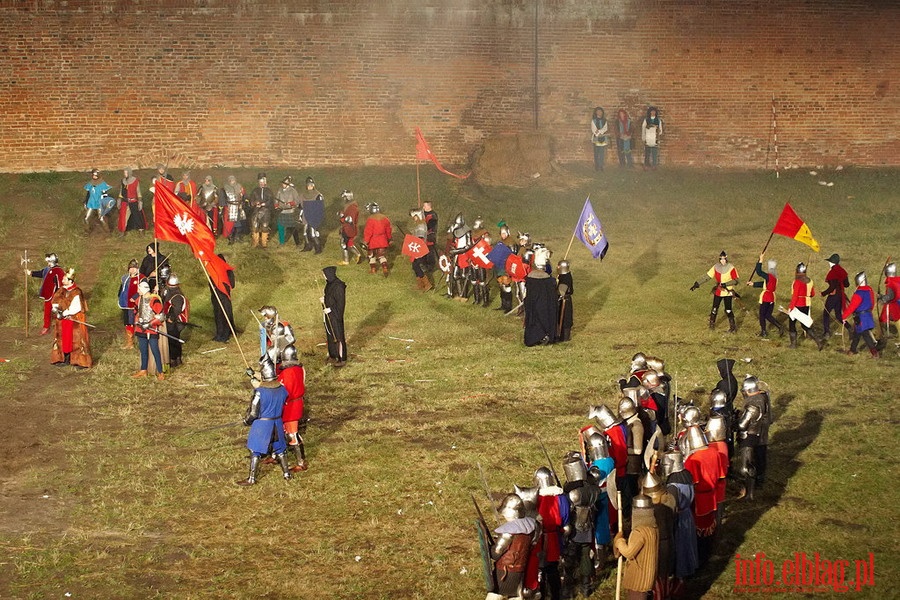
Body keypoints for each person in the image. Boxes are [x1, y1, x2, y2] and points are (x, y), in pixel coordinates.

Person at [237, 358, 292, 486]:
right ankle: (286, 474)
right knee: (280, 449)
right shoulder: (282, 389)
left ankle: (251, 478)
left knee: (255, 450)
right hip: (277, 422)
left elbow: (253, 413)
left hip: (262, 424)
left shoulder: (260, 392)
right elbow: (284, 400)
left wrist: (246, 421)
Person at [562, 452, 601, 598]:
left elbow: (567, 510)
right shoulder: (592, 487)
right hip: (589, 526)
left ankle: (568, 588)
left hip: (574, 528)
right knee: (585, 557)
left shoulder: (574, 492)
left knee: (570, 559)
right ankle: (586, 586)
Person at [485, 494, 538, 600]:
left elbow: (495, 554)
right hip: (521, 570)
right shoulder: (532, 526)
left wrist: (489, 547)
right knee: (515, 596)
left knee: (494, 595)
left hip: (504, 571)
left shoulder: (508, 532)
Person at [613, 494, 659, 600]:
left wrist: (619, 541)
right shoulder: (653, 528)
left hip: (639, 578)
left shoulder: (639, 532)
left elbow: (629, 552)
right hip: (648, 576)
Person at [534, 466, 568, 600]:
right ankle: (555, 595)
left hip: (542, 537)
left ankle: (543, 594)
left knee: (541, 569)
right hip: (554, 535)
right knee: (553, 567)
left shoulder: (535, 497)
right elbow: (565, 516)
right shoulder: (560, 497)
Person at [735, 375, 771, 499]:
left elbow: (743, 424)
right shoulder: (761, 397)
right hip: (757, 432)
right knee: (754, 460)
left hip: (752, 433)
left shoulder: (755, 403)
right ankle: (756, 483)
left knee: (748, 465)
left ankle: (752, 488)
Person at [49, 269, 92, 369]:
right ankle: (64, 358)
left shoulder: (76, 292)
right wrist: (56, 310)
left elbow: (75, 307)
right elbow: (55, 301)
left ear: (70, 281)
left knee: (76, 340)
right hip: (62, 320)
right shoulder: (61, 290)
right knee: (62, 339)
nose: (62, 280)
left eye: (64, 279)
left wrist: (65, 313)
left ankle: (80, 361)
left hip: (73, 320)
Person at [690, 250, 740, 332]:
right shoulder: (716, 267)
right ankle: (711, 325)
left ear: (726, 259)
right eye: (721, 259)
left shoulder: (731, 268)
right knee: (714, 309)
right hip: (718, 291)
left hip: (727, 292)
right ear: (719, 259)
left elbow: (736, 281)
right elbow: (707, 276)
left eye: (724, 259)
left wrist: (726, 284)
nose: (722, 261)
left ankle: (732, 327)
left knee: (728, 310)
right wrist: (697, 284)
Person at [277, 345, 308, 472]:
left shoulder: (287, 373)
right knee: (287, 432)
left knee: (292, 434)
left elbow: (284, 391)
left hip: (290, 406)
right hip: (297, 403)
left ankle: (301, 462)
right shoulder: (299, 369)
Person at [787, 262, 826, 350]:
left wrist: (791, 307)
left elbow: (795, 296)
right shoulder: (810, 281)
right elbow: (812, 294)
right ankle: (818, 341)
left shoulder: (797, 282)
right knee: (805, 324)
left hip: (798, 305)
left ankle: (793, 344)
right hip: (807, 304)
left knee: (792, 323)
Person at [131, 280, 165, 380]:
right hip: (141, 328)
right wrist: (137, 321)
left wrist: (149, 324)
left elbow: (161, 316)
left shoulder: (154, 300)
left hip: (151, 329)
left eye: (139, 289)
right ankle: (143, 370)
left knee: (155, 350)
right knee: (143, 349)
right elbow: (136, 312)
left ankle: (160, 372)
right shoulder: (139, 299)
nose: (137, 291)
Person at [523, 246, 557, 346]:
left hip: (532, 304)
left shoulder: (530, 277)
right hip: (543, 305)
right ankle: (543, 336)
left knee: (533, 319)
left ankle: (534, 337)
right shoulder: (546, 279)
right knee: (543, 319)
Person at [26, 252, 66, 335]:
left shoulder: (59, 271)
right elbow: (42, 273)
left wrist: (58, 295)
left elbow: (60, 284)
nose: (48, 263)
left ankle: (60, 326)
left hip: (55, 295)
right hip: (48, 294)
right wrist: (31, 273)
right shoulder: (48, 269)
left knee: (57, 311)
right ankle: (46, 327)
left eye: (49, 262)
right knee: (47, 311)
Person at [842, 271, 879, 357]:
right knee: (857, 334)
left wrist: (844, 316)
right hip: (867, 315)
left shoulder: (858, 293)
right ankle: (852, 350)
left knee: (865, 335)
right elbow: (872, 303)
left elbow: (852, 307)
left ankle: (875, 353)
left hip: (861, 317)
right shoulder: (870, 291)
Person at [747, 253, 784, 337]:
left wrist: (760, 260)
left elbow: (759, 272)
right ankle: (779, 326)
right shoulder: (775, 278)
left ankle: (763, 331)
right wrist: (753, 284)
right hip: (772, 298)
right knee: (768, 315)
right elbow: (765, 284)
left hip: (766, 298)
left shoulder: (769, 276)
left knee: (762, 315)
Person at [322, 266, 348, 366]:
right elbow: (329, 297)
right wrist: (324, 300)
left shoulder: (338, 286)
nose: (324, 276)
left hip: (335, 315)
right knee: (330, 334)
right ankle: (333, 355)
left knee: (338, 335)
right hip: (328, 314)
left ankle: (342, 358)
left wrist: (331, 310)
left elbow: (340, 303)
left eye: (324, 274)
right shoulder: (329, 284)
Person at [821, 253, 850, 338]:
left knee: (826, 313)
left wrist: (823, 293)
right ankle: (849, 328)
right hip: (841, 295)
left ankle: (826, 332)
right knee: (838, 315)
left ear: (831, 263)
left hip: (834, 296)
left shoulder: (832, 272)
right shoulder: (842, 271)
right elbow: (847, 284)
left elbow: (832, 287)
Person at [163, 274, 189, 368]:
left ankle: (174, 359)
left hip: (175, 322)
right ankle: (177, 358)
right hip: (174, 321)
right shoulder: (171, 292)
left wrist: (171, 318)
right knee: (175, 340)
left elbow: (177, 309)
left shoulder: (177, 296)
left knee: (173, 340)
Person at [117, 258, 143, 349]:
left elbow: (143, 290)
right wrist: (120, 296)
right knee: (127, 322)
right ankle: (129, 342)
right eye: (130, 268)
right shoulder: (125, 278)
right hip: (125, 303)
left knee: (134, 322)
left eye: (134, 268)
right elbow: (122, 289)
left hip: (135, 304)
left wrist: (135, 297)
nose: (132, 269)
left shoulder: (142, 278)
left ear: (137, 269)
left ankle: (139, 341)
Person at [210, 253, 236, 342]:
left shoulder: (227, 271)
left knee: (225, 315)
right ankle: (219, 334)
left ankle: (225, 334)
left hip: (224, 297)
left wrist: (223, 286)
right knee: (218, 316)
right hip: (216, 297)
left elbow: (232, 284)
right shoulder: (213, 271)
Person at [363, 202, 393, 276]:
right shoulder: (385, 218)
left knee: (372, 256)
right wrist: (389, 239)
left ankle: (373, 269)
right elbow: (388, 230)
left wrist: (366, 241)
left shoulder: (370, 219)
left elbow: (368, 231)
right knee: (381, 256)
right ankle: (385, 267)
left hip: (373, 240)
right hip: (383, 240)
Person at [409, 208, 434, 291]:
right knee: (414, 265)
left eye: (415, 217)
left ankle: (427, 284)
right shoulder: (419, 224)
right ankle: (420, 284)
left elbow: (420, 238)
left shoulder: (421, 226)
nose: (413, 218)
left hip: (419, 248)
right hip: (417, 247)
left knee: (417, 265)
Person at [83, 169, 114, 234]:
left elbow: (105, 195)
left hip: (99, 203)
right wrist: (85, 202)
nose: (94, 177)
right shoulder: (90, 184)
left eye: (96, 175)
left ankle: (108, 231)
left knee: (101, 219)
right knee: (86, 218)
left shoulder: (102, 184)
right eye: (93, 175)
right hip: (91, 203)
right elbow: (88, 193)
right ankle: (87, 231)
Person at [248, 173, 275, 249]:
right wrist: (254, 203)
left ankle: (264, 243)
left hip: (266, 211)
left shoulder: (268, 191)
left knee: (265, 226)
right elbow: (251, 200)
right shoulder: (255, 191)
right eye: (260, 182)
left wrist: (264, 204)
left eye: (263, 182)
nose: (262, 183)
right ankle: (255, 242)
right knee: (254, 226)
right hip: (256, 210)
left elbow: (270, 201)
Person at [299, 176, 325, 254]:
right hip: (305, 215)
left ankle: (318, 248)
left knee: (313, 233)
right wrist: (300, 215)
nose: (309, 186)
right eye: (308, 185)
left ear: (313, 185)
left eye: (311, 185)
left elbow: (320, 208)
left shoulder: (318, 195)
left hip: (313, 216)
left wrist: (317, 218)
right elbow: (301, 206)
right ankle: (307, 246)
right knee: (304, 232)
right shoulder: (303, 195)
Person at [117, 167, 146, 237]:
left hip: (133, 201)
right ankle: (123, 231)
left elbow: (138, 192)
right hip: (125, 202)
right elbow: (121, 192)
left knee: (138, 216)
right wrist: (119, 200)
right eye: (124, 173)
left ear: (129, 173)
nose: (125, 174)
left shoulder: (135, 181)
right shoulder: (123, 181)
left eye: (126, 173)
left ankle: (141, 231)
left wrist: (140, 201)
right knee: (124, 217)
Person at [219, 175, 247, 244]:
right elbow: (222, 199)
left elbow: (244, 196)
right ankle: (231, 238)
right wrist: (223, 207)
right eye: (231, 180)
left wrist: (245, 202)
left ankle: (237, 237)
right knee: (230, 224)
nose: (232, 181)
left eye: (233, 180)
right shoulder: (225, 189)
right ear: (228, 181)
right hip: (230, 208)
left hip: (238, 207)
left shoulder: (240, 187)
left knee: (238, 222)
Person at [275, 176, 302, 246]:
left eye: (284, 184)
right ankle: (281, 242)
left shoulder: (293, 191)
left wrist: (291, 203)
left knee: (292, 228)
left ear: (287, 184)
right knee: (280, 227)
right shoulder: (280, 191)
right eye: (282, 183)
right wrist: (276, 205)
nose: (283, 185)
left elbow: (297, 200)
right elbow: (276, 200)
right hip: (282, 211)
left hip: (290, 212)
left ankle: (297, 243)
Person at [337, 190, 361, 265]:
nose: (344, 199)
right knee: (349, 243)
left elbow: (349, 219)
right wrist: (342, 213)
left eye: (345, 197)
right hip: (350, 228)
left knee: (343, 244)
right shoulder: (351, 206)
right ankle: (358, 254)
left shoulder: (352, 207)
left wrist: (342, 218)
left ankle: (345, 261)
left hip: (348, 228)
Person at [879, 262, 899, 333]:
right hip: (897, 303)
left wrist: (882, 298)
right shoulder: (898, 280)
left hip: (894, 305)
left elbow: (890, 296)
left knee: (883, 319)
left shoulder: (891, 283)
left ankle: (881, 335)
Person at [556, 260, 573, 341]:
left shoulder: (565, 278)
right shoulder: (565, 276)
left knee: (565, 319)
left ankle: (564, 337)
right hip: (564, 299)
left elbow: (561, 291)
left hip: (564, 300)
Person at [591, 106, 609, 172]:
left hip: (603, 138)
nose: (599, 112)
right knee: (596, 153)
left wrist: (601, 132)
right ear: (596, 112)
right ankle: (597, 166)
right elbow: (593, 129)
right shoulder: (594, 120)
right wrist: (598, 134)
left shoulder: (604, 120)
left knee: (602, 152)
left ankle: (601, 166)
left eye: (600, 111)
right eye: (598, 111)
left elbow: (605, 128)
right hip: (596, 138)